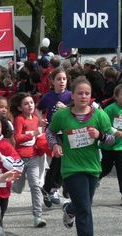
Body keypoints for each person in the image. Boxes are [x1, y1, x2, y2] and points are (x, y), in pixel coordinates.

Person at [48, 77, 114, 236]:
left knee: (83, 203)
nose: (84, 96)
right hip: (71, 168)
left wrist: (99, 135)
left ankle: (69, 209)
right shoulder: (62, 115)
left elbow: (111, 139)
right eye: (80, 93)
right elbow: (50, 131)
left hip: (93, 167)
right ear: (73, 95)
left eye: (87, 93)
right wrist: (54, 145)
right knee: (85, 207)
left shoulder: (99, 115)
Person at [10, 92, 47, 228]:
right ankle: (9, 185)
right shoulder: (19, 119)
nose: (30, 105)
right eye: (26, 103)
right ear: (20, 108)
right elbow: (17, 138)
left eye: (31, 102)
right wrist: (33, 134)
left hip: (32, 157)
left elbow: (39, 137)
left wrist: (42, 132)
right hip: (19, 158)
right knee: (18, 188)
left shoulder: (36, 119)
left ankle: (38, 216)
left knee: (35, 186)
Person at [38, 67, 72, 207]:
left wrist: (66, 108)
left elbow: (77, 109)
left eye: (64, 79)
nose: (62, 81)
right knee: (59, 157)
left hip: (68, 131)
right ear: (52, 81)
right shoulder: (48, 96)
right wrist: (41, 119)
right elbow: (38, 109)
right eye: (59, 79)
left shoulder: (70, 95)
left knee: (63, 161)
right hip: (53, 131)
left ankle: (48, 188)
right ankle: (54, 189)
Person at [99, 83, 122, 206]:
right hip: (109, 145)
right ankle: (95, 178)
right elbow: (104, 125)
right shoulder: (110, 109)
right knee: (106, 168)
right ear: (116, 96)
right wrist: (115, 131)